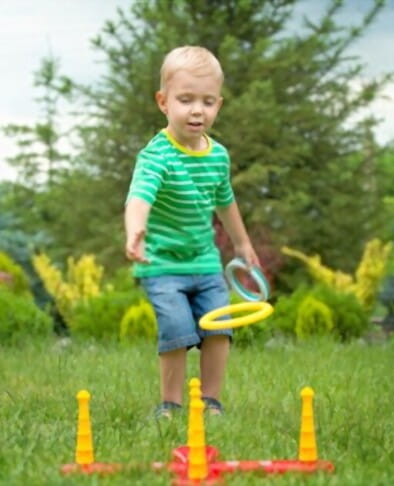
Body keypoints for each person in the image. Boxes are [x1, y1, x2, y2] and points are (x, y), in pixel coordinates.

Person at [124, 45, 260, 418]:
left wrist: (243, 244)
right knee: (177, 331)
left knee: (219, 329)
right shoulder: (157, 155)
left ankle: (210, 402)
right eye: (185, 100)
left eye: (208, 101)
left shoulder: (218, 155)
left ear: (219, 104)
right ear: (163, 102)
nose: (197, 110)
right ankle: (170, 403)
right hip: (161, 264)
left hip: (205, 263)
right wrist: (135, 231)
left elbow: (226, 202)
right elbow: (139, 198)